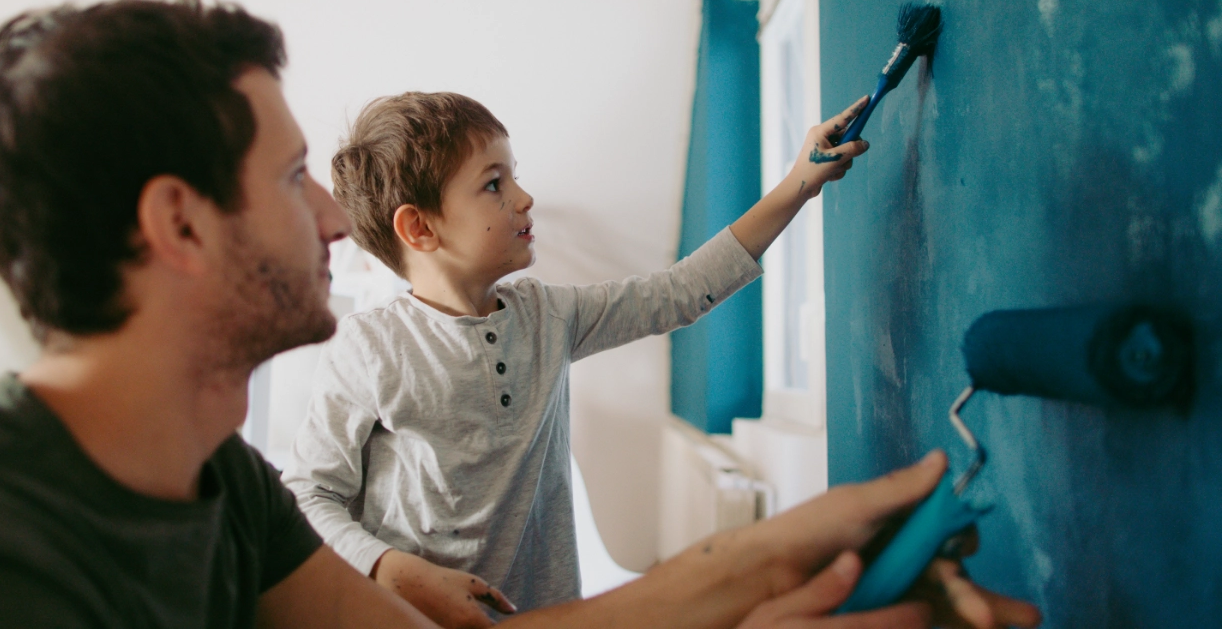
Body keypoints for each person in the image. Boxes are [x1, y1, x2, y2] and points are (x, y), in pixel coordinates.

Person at [0, 0, 1039, 629]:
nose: (334, 221)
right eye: (289, 181)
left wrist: (774, 557)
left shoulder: (222, 489)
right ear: (176, 223)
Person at [283, 89, 868, 622]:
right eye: (494, 184)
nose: (524, 197)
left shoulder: (547, 317)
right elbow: (310, 494)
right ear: (419, 229)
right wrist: (389, 566)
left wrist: (800, 182)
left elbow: (680, 292)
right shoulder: (369, 348)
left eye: (514, 177)